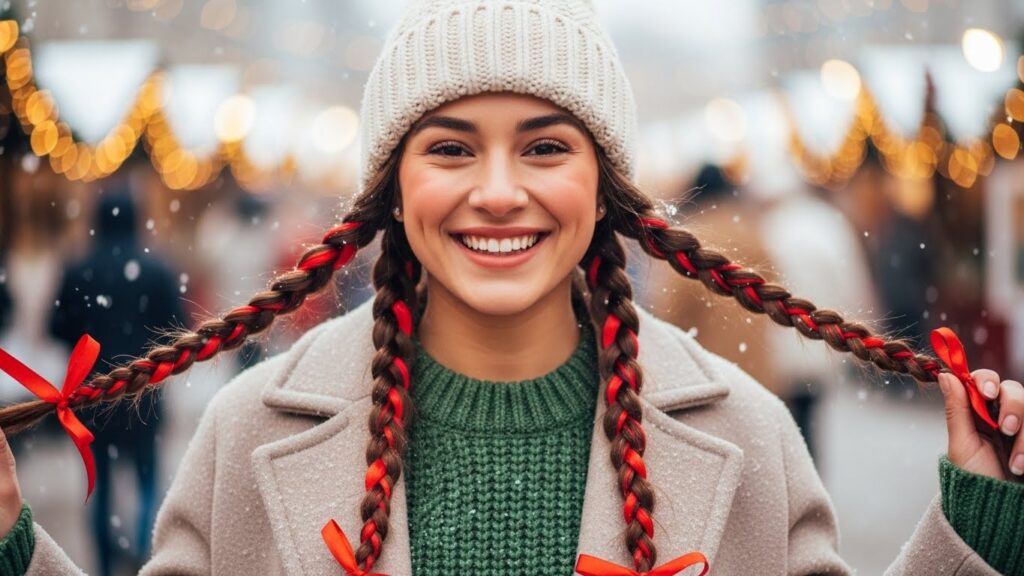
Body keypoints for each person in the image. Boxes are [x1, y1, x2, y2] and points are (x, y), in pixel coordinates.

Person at [1, 1, 1023, 574]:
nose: (498, 193)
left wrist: (975, 527)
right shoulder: (252, 430)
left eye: (544, 146)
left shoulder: (747, 437)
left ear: (604, 187)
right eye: (449, 148)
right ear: (390, 193)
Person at [47, 190, 185, 575]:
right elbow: (178, 328)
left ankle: (106, 564)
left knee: (99, 486)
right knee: (146, 479)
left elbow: (55, 327)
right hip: (143, 390)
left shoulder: (78, 269)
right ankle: (143, 552)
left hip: (94, 395)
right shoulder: (156, 269)